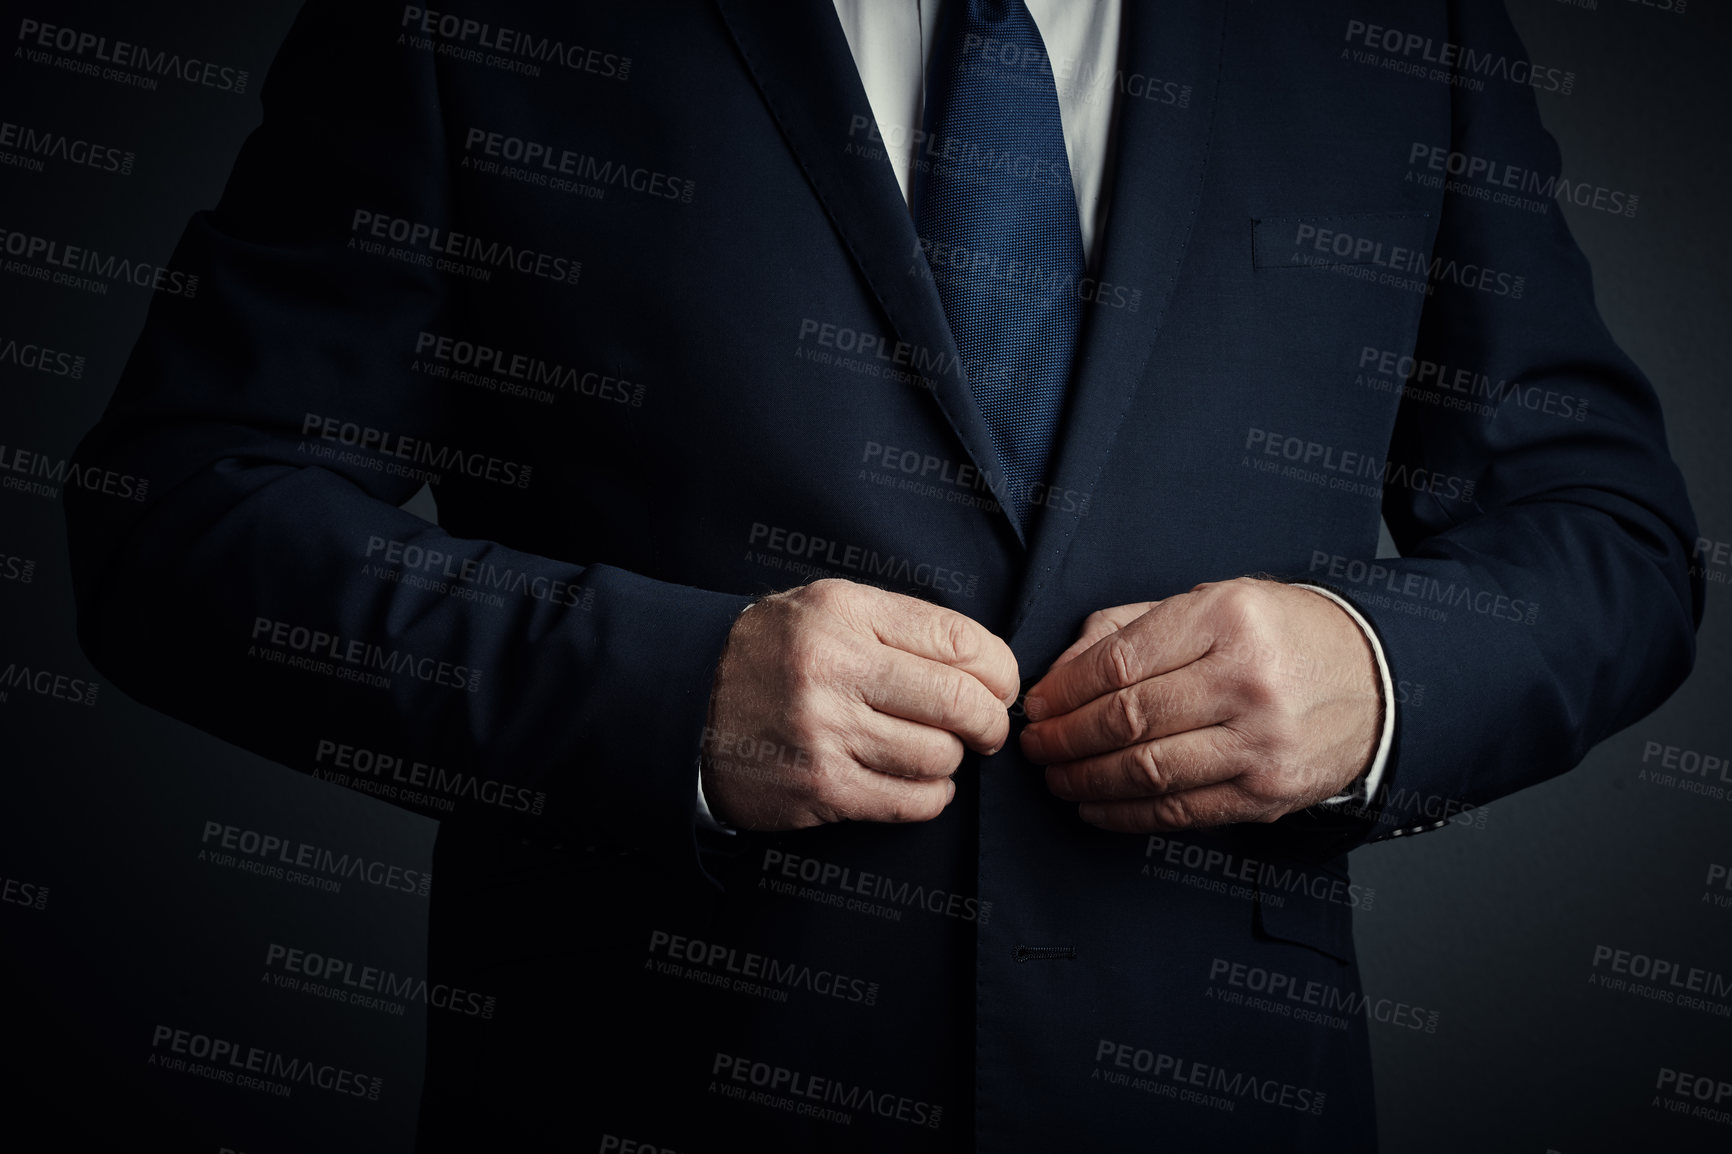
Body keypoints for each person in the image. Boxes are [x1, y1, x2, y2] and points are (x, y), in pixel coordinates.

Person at [65, 1, 1700, 1150]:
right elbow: (179, 511)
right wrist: (657, 692)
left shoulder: (1391, 28)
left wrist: (1377, 672)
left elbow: (1611, 534)